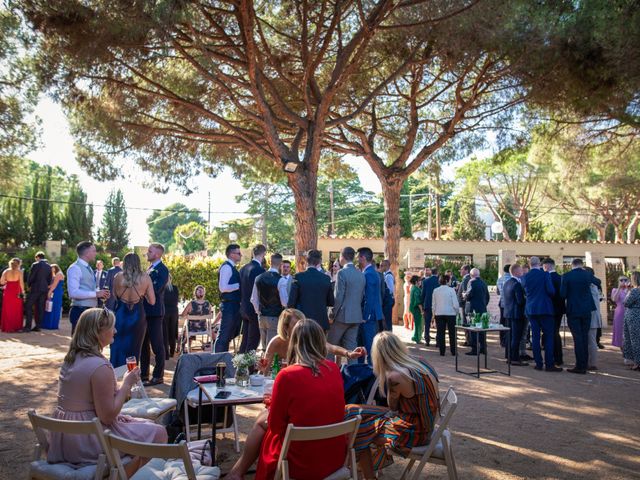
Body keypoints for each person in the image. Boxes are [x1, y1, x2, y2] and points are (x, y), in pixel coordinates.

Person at [48, 308, 166, 473]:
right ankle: (128, 474)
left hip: (64, 437)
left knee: (147, 425)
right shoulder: (100, 366)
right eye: (112, 327)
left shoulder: (71, 359)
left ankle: (130, 467)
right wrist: (126, 384)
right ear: (98, 332)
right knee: (158, 433)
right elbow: (108, 416)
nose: (115, 331)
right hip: (86, 441)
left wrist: (119, 391)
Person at [226, 318, 347, 480]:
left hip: (299, 462)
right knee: (264, 418)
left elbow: (276, 427)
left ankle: (236, 473)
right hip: (332, 458)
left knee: (263, 421)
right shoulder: (333, 369)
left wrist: (272, 404)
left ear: (294, 343)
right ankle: (236, 473)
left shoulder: (288, 375)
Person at [344, 331, 440, 479]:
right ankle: (364, 471)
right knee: (352, 411)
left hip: (415, 432)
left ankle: (368, 476)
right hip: (427, 423)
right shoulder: (420, 361)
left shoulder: (394, 376)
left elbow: (392, 406)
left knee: (360, 431)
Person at [260, 309, 366, 374]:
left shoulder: (307, 337)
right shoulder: (276, 342)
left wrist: (349, 353)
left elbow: (332, 348)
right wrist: (261, 369)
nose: (300, 328)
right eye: (296, 326)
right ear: (285, 327)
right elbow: (264, 371)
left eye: (301, 324)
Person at [110, 253, 155, 369]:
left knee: (117, 346)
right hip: (137, 316)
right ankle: (131, 377)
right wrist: (141, 294)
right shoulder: (146, 278)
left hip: (120, 315)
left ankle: (115, 376)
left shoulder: (117, 277)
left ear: (124, 263)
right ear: (138, 263)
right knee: (134, 349)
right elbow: (152, 301)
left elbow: (114, 296)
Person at [560, 258, 601, 374]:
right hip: (587, 309)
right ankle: (584, 364)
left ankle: (580, 365)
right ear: (581, 265)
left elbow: (562, 294)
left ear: (572, 265)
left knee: (577, 338)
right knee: (584, 336)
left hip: (573, 309)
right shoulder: (587, 274)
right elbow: (598, 282)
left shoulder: (567, 276)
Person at [521, 257, 562, 372]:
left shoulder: (525, 277)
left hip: (531, 309)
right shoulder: (545, 275)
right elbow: (551, 291)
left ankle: (538, 363)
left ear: (529, 264)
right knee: (548, 336)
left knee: (535, 337)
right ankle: (549, 364)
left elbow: (524, 291)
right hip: (545, 309)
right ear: (539, 264)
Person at [327, 247, 366, 363]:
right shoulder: (361, 274)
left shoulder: (341, 273)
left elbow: (338, 297)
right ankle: (353, 377)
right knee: (351, 350)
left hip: (342, 316)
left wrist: (331, 314)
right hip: (356, 316)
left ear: (342, 257)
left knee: (330, 347)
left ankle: (327, 373)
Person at [67, 241, 110, 335]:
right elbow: (73, 293)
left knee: (89, 343)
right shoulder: (75, 268)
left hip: (90, 311)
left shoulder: (88, 268)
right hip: (80, 311)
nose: (96, 253)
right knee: (79, 345)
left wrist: (100, 293)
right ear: (87, 253)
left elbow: (88, 287)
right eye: (94, 251)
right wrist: (96, 294)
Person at [141, 243, 168, 386]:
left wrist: (140, 289)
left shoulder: (163, 270)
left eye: (150, 251)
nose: (147, 253)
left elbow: (156, 289)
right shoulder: (150, 268)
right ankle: (143, 374)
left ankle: (158, 375)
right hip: (145, 311)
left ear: (157, 254)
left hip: (155, 312)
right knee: (143, 345)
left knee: (157, 345)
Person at [288, 249, 334, 331]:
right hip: (321, 321)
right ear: (319, 261)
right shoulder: (326, 279)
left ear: (306, 260)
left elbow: (291, 303)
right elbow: (331, 302)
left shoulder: (298, 277)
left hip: (302, 321)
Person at [251, 253, 286, 351]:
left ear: (270, 262)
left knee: (264, 346)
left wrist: (259, 311)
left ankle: (264, 365)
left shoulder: (258, 278)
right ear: (280, 264)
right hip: (275, 316)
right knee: (272, 348)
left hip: (262, 316)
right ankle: (269, 366)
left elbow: (253, 299)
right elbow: (284, 302)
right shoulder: (281, 280)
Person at [357, 247, 383, 364]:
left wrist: (365, 316)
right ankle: (361, 368)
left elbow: (370, 297)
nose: (357, 259)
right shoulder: (369, 272)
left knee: (369, 345)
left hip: (368, 315)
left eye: (358, 257)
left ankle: (372, 372)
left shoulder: (370, 274)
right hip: (368, 314)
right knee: (362, 343)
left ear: (363, 258)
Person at [214, 244, 242, 353]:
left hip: (233, 305)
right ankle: (217, 361)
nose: (241, 255)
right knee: (224, 335)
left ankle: (222, 360)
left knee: (228, 334)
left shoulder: (231, 267)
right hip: (229, 305)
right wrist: (239, 285)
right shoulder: (226, 267)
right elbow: (223, 287)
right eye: (238, 253)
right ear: (231, 254)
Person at [239, 244, 267, 353]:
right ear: (264, 254)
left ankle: (239, 363)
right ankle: (249, 367)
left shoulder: (243, 268)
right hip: (254, 308)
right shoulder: (259, 270)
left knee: (245, 339)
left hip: (244, 307)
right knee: (253, 339)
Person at [502, 264, 528, 366]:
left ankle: (509, 356)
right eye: (521, 270)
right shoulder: (517, 284)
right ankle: (515, 358)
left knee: (510, 336)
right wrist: (526, 298)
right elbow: (520, 301)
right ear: (516, 272)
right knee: (516, 337)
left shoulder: (506, 283)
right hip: (517, 314)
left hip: (508, 313)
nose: (522, 272)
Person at [542, 258, 565, 366]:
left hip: (549, 309)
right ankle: (559, 357)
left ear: (546, 266)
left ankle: (554, 357)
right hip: (559, 309)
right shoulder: (561, 278)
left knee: (550, 334)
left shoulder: (546, 278)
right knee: (556, 333)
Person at [22, 251, 52, 332]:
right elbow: (49, 280)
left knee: (28, 305)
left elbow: (31, 276)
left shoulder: (35, 264)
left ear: (37, 257)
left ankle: (28, 327)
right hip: (44, 289)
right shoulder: (49, 266)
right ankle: (38, 326)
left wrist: (28, 285)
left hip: (35, 288)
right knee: (40, 307)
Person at [463, 268, 490, 355]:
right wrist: (483, 305)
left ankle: (475, 349)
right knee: (482, 329)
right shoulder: (484, 282)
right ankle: (483, 348)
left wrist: (464, 295)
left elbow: (469, 295)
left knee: (473, 329)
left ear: (471, 275)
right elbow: (487, 297)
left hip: (473, 309)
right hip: (482, 309)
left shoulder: (471, 282)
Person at [432, 274, 459, 356]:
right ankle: (453, 351)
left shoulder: (435, 290)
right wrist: (457, 312)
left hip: (439, 313)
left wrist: (433, 314)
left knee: (440, 333)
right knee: (452, 333)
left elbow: (433, 304)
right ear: (447, 281)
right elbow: (455, 304)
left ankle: (442, 351)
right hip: (450, 313)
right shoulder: (451, 290)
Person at [585, 267, 603, 371]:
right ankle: (592, 362)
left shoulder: (591, 285)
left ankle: (591, 363)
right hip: (594, 315)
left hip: (591, 315)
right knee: (591, 340)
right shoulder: (597, 284)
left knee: (591, 340)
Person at [0, 258, 25, 333]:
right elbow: (21, 283)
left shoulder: (6, 271)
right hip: (16, 292)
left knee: (7, 309)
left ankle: (7, 327)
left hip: (8, 291)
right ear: (18, 264)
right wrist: (23, 292)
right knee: (16, 309)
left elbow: (1, 281)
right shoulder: (20, 272)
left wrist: (6, 282)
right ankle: (16, 327)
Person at [622, 271, 640, 370]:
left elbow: (626, 302)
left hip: (634, 316)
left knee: (635, 340)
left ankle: (637, 363)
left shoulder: (635, 291)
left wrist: (628, 292)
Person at [420, 267, 439, 346]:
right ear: (437, 272)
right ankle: (438, 340)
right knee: (438, 323)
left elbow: (423, 294)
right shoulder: (439, 281)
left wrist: (422, 303)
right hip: (438, 305)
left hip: (427, 304)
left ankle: (427, 339)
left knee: (427, 323)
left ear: (431, 272)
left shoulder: (425, 281)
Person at [42, 264, 65, 329]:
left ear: (55, 268)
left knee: (53, 307)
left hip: (55, 292)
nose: (51, 270)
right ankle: (50, 323)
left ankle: (51, 324)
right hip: (57, 291)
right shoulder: (57, 274)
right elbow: (52, 284)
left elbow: (54, 285)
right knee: (51, 307)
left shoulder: (58, 274)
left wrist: (49, 292)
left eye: (52, 268)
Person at [162, 276, 180, 358]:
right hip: (174, 311)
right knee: (173, 331)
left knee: (165, 332)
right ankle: (172, 351)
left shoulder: (162, 289)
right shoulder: (175, 288)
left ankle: (166, 353)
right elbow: (176, 300)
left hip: (165, 311)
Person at [611, 276, 630, 349]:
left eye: (625, 280)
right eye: (621, 280)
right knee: (619, 330)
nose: (623, 281)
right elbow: (614, 299)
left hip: (629, 312)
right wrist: (619, 288)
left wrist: (628, 289)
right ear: (618, 281)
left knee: (628, 331)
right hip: (619, 312)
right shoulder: (615, 289)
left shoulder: (630, 290)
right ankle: (623, 350)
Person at [496, 264, 511, 346]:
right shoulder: (512, 279)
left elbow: (497, 292)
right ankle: (507, 340)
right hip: (509, 304)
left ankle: (502, 340)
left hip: (501, 303)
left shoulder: (499, 279)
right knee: (508, 323)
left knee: (502, 322)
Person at [380, 259, 395, 331]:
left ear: (386, 266)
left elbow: (391, 289)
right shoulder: (385, 274)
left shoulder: (388, 276)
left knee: (387, 320)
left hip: (388, 300)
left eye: (381, 265)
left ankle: (389, 335)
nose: (380, 267)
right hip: (387, 300)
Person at [409, 276, 423, 344]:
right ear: (416, 281)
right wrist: (421, 310)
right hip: (416, 309)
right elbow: (418, 301)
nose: (420, 282)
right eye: (419, 280)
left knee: (417, 324)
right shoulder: (416, 289)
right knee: (418, 324)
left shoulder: (413, 288)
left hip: (413, 308)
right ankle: (417, 338)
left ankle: (415, 336)